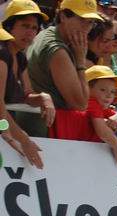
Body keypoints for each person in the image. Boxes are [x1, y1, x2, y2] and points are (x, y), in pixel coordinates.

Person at [23, 0, 104, 137]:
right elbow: (80, 103)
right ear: (63, 17)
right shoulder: (58, 51)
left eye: (90, 22)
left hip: (39, 128)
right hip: (44, 132)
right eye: (82, 19)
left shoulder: (46, 34)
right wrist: (80, 60)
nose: (86, 27)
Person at [0, 0, 54, 168]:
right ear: (9, 27)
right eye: (24, 25)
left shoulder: (21, 57)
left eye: (34, 28)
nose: (30, 32)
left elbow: (27, 95)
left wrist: (44, 98)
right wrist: (18, 137)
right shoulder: (2, 54)